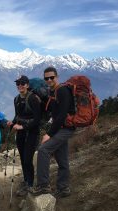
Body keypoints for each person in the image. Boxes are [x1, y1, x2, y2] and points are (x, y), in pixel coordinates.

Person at [30, 66, 75, 198]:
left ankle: (43, 186)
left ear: (57, 77)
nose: (49, 80)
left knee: (43, 150)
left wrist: (49, 134)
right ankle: (63, 188)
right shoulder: (53, 92)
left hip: (65, 128)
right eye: (46, 78)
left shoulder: (62, 91)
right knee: (62, 160)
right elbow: (53, 111)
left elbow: (61, 116)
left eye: (51, 77)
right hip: (61, 128)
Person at [7, 75, 42, 196]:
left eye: (22, 83)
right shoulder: (16, 99)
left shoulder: (33, 99)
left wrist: (22, 127)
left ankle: (30, 184)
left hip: (32, 133)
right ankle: (26, 180)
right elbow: (17, 116)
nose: (20, 85)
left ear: (27, 85)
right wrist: (12, 124)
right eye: (18, 83)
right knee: (22, 158)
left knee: (27, 159)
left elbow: (37, 119)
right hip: (21, 133)